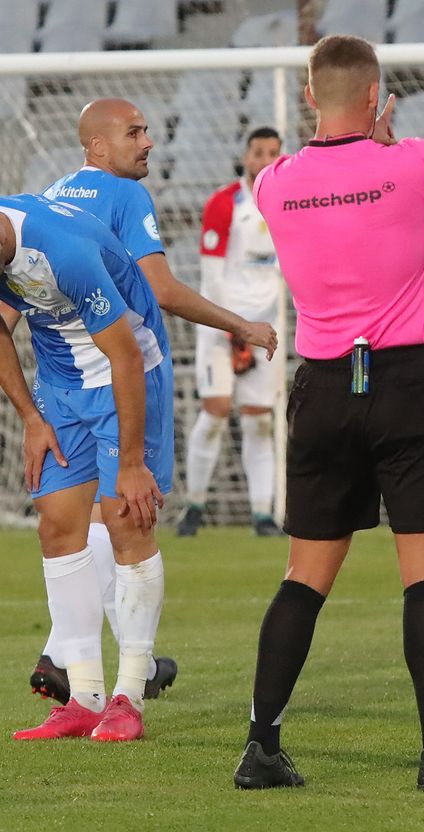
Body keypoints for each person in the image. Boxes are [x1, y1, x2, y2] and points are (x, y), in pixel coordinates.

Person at [232, 34, 424, 792]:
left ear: (310, 98)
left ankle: (261, 747)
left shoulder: (275, 181)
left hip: (323, 386)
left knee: (304, 577)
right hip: (406, 381)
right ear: (378, 92)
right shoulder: (413, 160)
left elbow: (316, 178)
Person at [0, 98, 279, 708]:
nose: (149, 142)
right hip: (112, 371)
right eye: (135, 132)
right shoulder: (125, 198)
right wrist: (239, 324)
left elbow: (12, 298)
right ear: (97, 147)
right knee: (117, 517)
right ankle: (88, 665)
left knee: (92, 519)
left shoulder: (49, 195)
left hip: (78, 377)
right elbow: (158, 289)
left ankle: (79, 662)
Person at [0, 192, 175, 743]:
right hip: (61, 387)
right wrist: (31, 418)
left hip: (127, 374)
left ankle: (130, 698)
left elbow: (126, 354)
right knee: (57, 526)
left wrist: (131, 462)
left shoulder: (64, 251)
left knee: (128, 521)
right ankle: (84, 697)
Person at [178, 126, 289, 538]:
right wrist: (234, 330)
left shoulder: (287, 203)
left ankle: (262, 514)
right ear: (245, 156)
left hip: (268, 328)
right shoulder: (224, 203)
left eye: (273, 153)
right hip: (222, 326)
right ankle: (194, 506)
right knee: (216, 411)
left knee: (260, 420)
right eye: (257, 152)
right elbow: (211, 277)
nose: (264, 160)